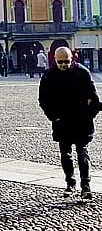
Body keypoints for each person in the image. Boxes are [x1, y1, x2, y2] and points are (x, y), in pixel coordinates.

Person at [39, 46, 100, 200]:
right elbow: (43, 99)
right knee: (65, 154)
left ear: (72, 58)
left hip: (81, 120)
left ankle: (85, 186)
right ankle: (70, 184)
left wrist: (89, 115)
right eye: (61, 62)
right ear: (55, 60)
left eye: (66, 61)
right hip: (62, 121)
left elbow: (94, 97)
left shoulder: (82, 72)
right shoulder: (49, 75)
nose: (64, 65)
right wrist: (53, 116)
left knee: (82, 153)